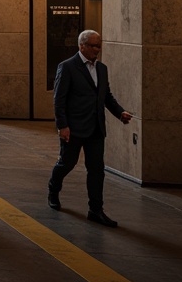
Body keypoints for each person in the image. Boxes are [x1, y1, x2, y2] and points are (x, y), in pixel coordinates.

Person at [47, 30, 131, 227]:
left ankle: (95, 210)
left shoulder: (102, 69)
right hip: (73, 128)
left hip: (95, 129)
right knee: (66, 163)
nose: (97, 50)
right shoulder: (67, 67)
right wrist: (63, 126)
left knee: (96, 170)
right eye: (93, 46)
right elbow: (59, 100)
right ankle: (53, 189)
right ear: (81, 46)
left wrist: (120, 112)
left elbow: (106, 96)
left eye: (99, 45)